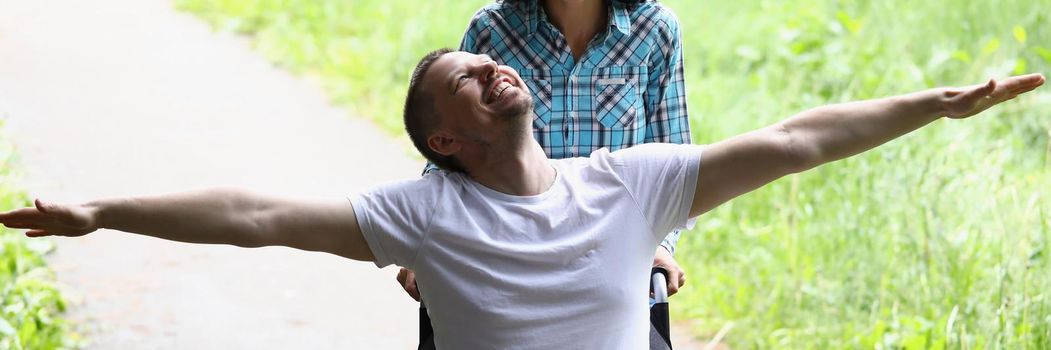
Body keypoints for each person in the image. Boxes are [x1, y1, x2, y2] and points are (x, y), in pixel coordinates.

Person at [0, 50, 1043, 349]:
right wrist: (100, 211)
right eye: (468, 78)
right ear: (447, 138)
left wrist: (934, 105)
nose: (494, 68)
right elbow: (254, 213)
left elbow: (794, 139)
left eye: (489, 63)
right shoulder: (422, 212)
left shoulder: (631, 182)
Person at [398, 0, 693, 300]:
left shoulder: (654, 29)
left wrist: (660, 246)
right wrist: (424, 239)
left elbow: (674, 168)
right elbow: (451, 152)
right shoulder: (492, 29)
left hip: (613, 260)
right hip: (511, 256)